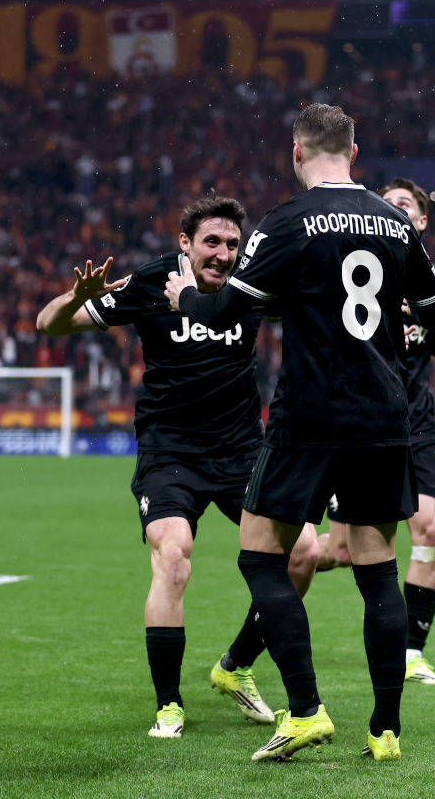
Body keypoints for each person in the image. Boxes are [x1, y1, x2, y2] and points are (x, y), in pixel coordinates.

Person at [165, 104, 435, 762]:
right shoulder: (394, 223)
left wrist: (184, 297)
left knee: (260, 554)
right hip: (383, 417)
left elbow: (225, 311)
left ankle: (304, 710)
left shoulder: (286, 222)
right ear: (354, 154)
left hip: (310, 416)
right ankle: (384, 730)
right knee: (377, 571)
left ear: (297, 152)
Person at [36, 194, 320, 740]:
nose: (223, 254)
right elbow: (49, 325)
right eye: (212, 242)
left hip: (242, 452)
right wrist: (77, 297)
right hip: (170, 453)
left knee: (305, 551)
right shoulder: (150, 281)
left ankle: (235, 665)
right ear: (185, 243)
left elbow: (313, 307)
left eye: (232, 244)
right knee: (172, 557)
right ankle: (169, 702)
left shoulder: (251, 283)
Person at [318, 179, 435, 686]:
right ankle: (283, 570)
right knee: (339, 551)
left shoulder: (430, 277)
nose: (395, 209)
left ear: (422, 222)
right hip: (361, 423)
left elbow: (434, 334)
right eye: (388, 203)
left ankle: (410, 653)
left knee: (430, 528)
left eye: (405, 205)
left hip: (415, 425)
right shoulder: (354, 263)